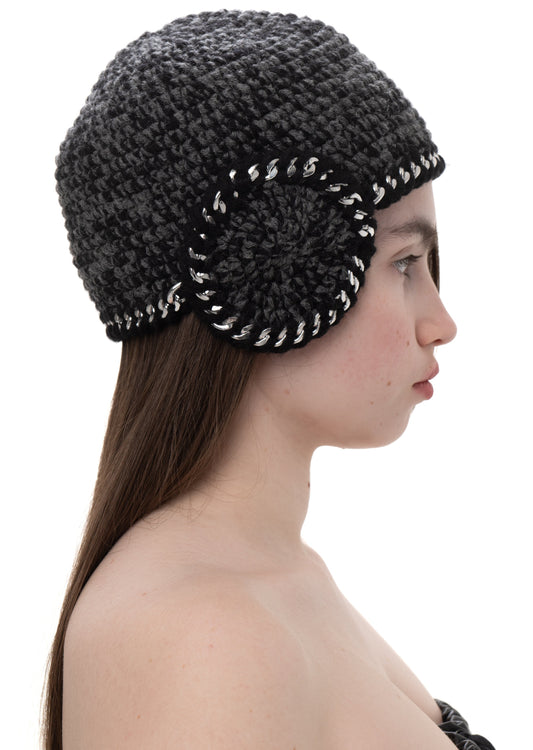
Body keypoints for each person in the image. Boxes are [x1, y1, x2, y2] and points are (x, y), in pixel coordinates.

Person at [42, 10, 496, 749]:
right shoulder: (197, 637)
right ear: (272, 275)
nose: (440, 323)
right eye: (405, 265)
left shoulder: (281, 577)